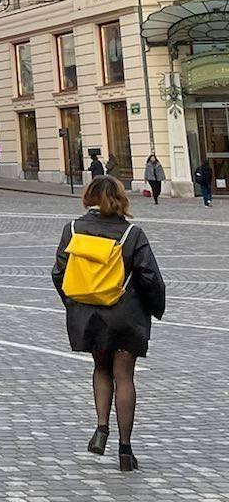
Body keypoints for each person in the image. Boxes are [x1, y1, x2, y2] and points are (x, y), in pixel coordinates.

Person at [52, 176, 166, 473]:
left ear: (88, 197)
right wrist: (155, 308)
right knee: (124, 377)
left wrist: (76, 305)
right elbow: (150, 277)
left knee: (101, 369)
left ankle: (101, 427)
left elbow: (59, 273)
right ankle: (125, 450)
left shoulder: (73, 229)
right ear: (120, 199)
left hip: (90, 316)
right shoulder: (132, 233)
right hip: (125, 315)